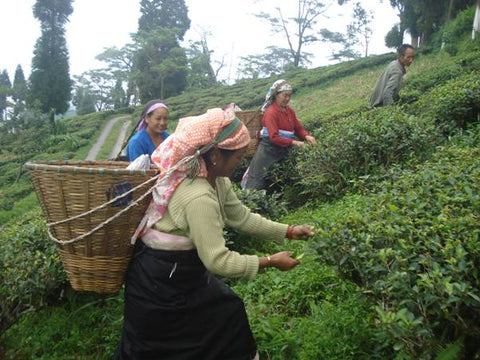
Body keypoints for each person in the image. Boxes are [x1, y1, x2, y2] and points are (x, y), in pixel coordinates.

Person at [113, 105, 315, 360]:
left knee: (222, 318)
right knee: (157, 345)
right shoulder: (198, 196)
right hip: (160, 282)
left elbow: (240, 217)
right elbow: (217, 260)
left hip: (181, 272)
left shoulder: (215, 180)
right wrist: (270, 261)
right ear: (216, 155)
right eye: (238, 157)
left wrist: (288, 231)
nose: (242, 162)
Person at [243, 79, 316, 190]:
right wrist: (294, 142)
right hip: (268, 151)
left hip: (283, 149)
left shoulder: (289, 111)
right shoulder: (271, 113)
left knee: (280, 181)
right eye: (285, 95)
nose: (287, 99)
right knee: (259, 181)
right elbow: (274, 137)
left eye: (289, 96)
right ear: (276, 95)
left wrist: (306, 136)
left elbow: (298, 128)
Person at [368, 44, 415, 108]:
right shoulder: (397, 71)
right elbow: (387, 93)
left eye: (412, 57)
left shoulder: (394, 63)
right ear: (401, 56)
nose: (411, 60)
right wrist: (392, 111)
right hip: (379, 106)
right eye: (408, 57)